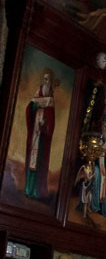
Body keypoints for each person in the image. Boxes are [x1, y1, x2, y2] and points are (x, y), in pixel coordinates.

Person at [24, 68, 58, 201]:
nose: (46, 81)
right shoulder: (38, 93)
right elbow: (30, 108)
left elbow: (51, 120)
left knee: (39, 164)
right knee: (31, 163)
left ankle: (37, 191)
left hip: (42, 140)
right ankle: (28, 188)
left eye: (48, 79)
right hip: (34, 135)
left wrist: (45, 126)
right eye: (44, 79)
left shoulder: (51, 98)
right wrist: (35, 107)